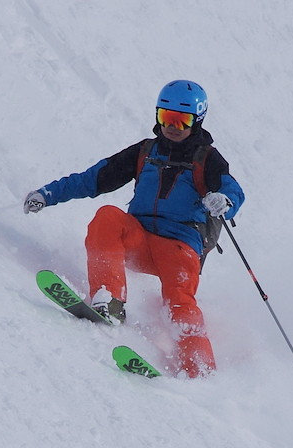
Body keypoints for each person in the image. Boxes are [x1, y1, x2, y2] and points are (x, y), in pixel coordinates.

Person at [23, 80, 245, 378]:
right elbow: (94, 178)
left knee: (180, 301)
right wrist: (49, 194)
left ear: (198, 120)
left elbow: (232, 189)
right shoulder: (145, 152)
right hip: (139, 239)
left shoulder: (207, 159)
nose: (173, 127)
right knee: (108, 217)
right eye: (166, 117)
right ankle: (110, 302)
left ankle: (199, 369)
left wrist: (225, 200)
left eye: (182, 120)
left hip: (179, 248)